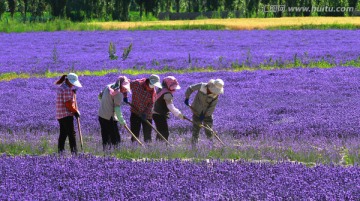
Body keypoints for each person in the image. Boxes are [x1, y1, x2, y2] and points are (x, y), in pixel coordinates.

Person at [184, 78, 224, 144]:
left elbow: (212, 107)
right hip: (196, 111)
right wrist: (187, 97)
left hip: (207, 114)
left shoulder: (215, 95)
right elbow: (190, 88)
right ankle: (194, 147)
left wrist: (205, 115)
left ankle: (211, 146)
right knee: (195, 130)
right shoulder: (202, 86)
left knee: (209, 131)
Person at [125, 74, 162, 143]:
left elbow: (151, 104)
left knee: (147, 135)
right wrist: (125, 96)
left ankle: (148, 149)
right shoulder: (136, 84)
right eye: (153, 84)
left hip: (147, 115)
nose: (153, 86)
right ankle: (134, 148)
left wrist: (145, 113)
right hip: (135, 112)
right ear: (149, 81)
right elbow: (125, 86)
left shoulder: (153, 92)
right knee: (135, 133)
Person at [98, 76, 131, 150]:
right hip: (110, 118)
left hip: (101, 115)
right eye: (124, 88)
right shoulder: (118, 93)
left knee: (105, 137)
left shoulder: (108, 86)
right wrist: (122, 121)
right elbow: (117, 109)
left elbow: (100, 96)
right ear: (121, 85)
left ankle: (106, 154)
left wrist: (106, 105)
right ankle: (116, 154)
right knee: (115, 139)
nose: (125, 90)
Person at [55, 73, 82, 154]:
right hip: (66, 115)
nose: (73, 84)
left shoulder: (62, 87)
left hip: (60, 114)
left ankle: (61, 152)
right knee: (71, 134)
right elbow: (68, 104)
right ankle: (74, 153)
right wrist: (75, 111)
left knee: (63, 134)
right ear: (69, 81)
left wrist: (72, 93)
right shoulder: (67, 89)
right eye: (73, 83)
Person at [153, 76, 184, 141]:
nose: (174, 90)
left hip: (155, 113)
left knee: (160, 132)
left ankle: (158, 146)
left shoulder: (161, 89)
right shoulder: (167, 94)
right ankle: (162, 148)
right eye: (173, 88)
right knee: (164, 133)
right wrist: (180, 115)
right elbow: (170, 107)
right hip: (160, 114)